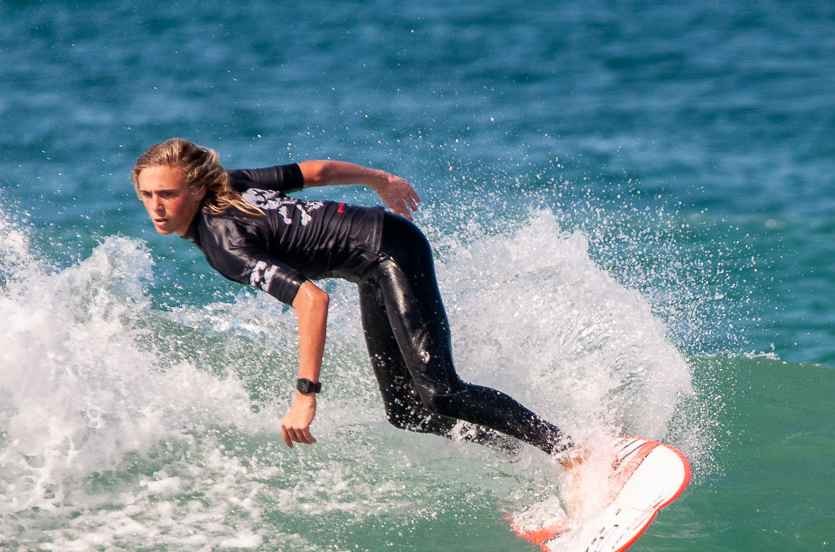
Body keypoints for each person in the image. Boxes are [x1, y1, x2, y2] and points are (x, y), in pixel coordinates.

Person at [131, 137, 576, 464]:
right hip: (371, 263)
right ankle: (521, 450)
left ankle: (572, 452)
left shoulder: (224, 244)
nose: (156, 206)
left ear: (197, 189)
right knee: (406, 411)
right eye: (147, 194)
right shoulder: (230, 183)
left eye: (167, 194)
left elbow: (312, 301)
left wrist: (305, 395)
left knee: (440, 392)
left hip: (390, 249)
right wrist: (379, 181)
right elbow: (315, 173)